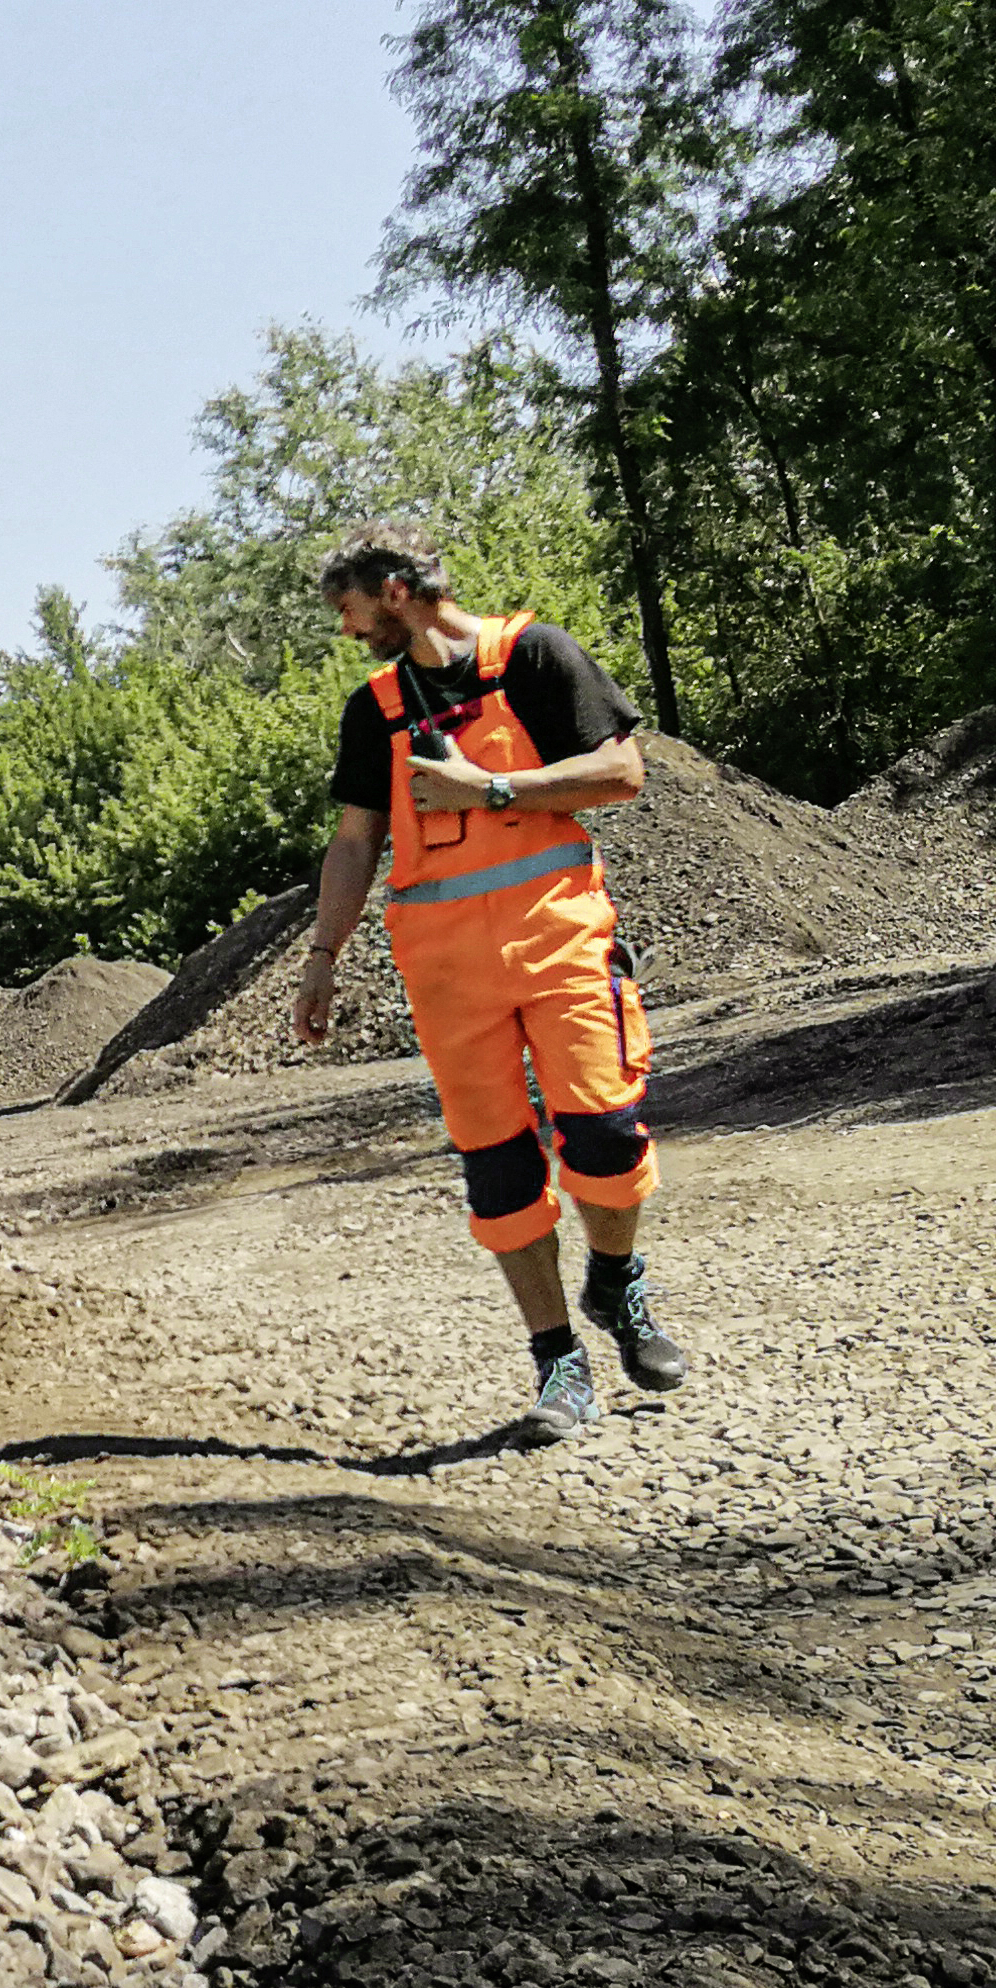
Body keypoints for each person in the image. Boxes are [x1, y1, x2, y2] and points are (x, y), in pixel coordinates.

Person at [291, 525, 689, 1440]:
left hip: (561, 943)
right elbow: (355, 841)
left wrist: (495, 791)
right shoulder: (375, 710)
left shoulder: (537, 657)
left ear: (396, 590)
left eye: (351, 613)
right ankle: (560, 1365)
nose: (348, 633)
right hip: (446, 972)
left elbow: (623, 771)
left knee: (606, 1136)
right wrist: (322, 958)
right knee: (500, 1170)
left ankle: (617, 1284)